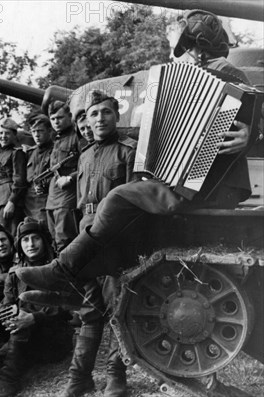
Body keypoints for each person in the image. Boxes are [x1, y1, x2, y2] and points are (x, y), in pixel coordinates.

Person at [16, 9, 256, 309]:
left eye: (190, 47)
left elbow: (255, 117)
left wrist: (252, 135)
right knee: (120, 219)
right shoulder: (191, 74)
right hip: (189, 182)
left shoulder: (232, 75)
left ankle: (62, 272)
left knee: (117, 200)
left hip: (213, 184)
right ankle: (68, 284)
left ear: (201, 43)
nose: (188, 54)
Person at [65, 91, 136, 397]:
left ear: (116, 116)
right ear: (87, 120)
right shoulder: (84, 155)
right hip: (85, 232)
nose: (99, 118)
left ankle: (115, 375)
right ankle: (79, 377)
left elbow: (136, 200)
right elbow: (81, 203)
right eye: (93, 114)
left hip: (115, 236)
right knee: (88, 306)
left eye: (106, 112)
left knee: (117, 305)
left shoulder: (128, 152)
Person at [0, 218, 73, 397]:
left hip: (52, 339)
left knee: (17, 339)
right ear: (19, 245)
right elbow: (6, 306)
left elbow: (66, 306)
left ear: (44, 240)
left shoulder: (58, 269)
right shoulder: (14, 275)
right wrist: (11, 319)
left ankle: (8, 382)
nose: (30, 244)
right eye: (25, 240)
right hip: (21, 340)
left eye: (35, 238)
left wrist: (33, 318)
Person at [45, 101, 81, 252]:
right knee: (54, 239)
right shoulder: (57, 140)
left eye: (59, 117)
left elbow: (88, 164)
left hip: (68, 194)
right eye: (53, 119)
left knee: (66, 240)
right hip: (52, 197)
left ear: (70, 116)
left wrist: (71, 178)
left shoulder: (77, 137)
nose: (56, 122)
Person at [23, 114, 54, 224]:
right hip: (27, 205)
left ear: (49, 131)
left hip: (46, 201)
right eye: (33, 131)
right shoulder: (29, 153)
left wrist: (46, 185)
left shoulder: (55, 151)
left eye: (40, 131)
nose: (36, 135)